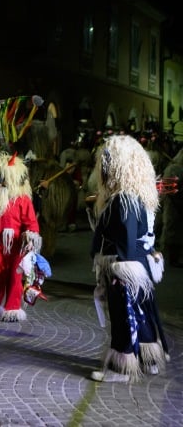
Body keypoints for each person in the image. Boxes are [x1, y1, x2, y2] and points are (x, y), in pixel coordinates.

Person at [89, 135, 169, 383]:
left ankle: (122, 366)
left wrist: (119, 270)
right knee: (141, 312)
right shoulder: (136, 199)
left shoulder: (123, 201)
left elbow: (125, 235)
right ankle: (149, 360)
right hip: (138, 264)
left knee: (124, 316)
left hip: (123, 267)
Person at [0, 151, 42, 324]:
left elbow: (31, 222)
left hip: (16, 245)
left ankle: (13, 308)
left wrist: (30, 236)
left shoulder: (22, 200)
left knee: (15, 277)